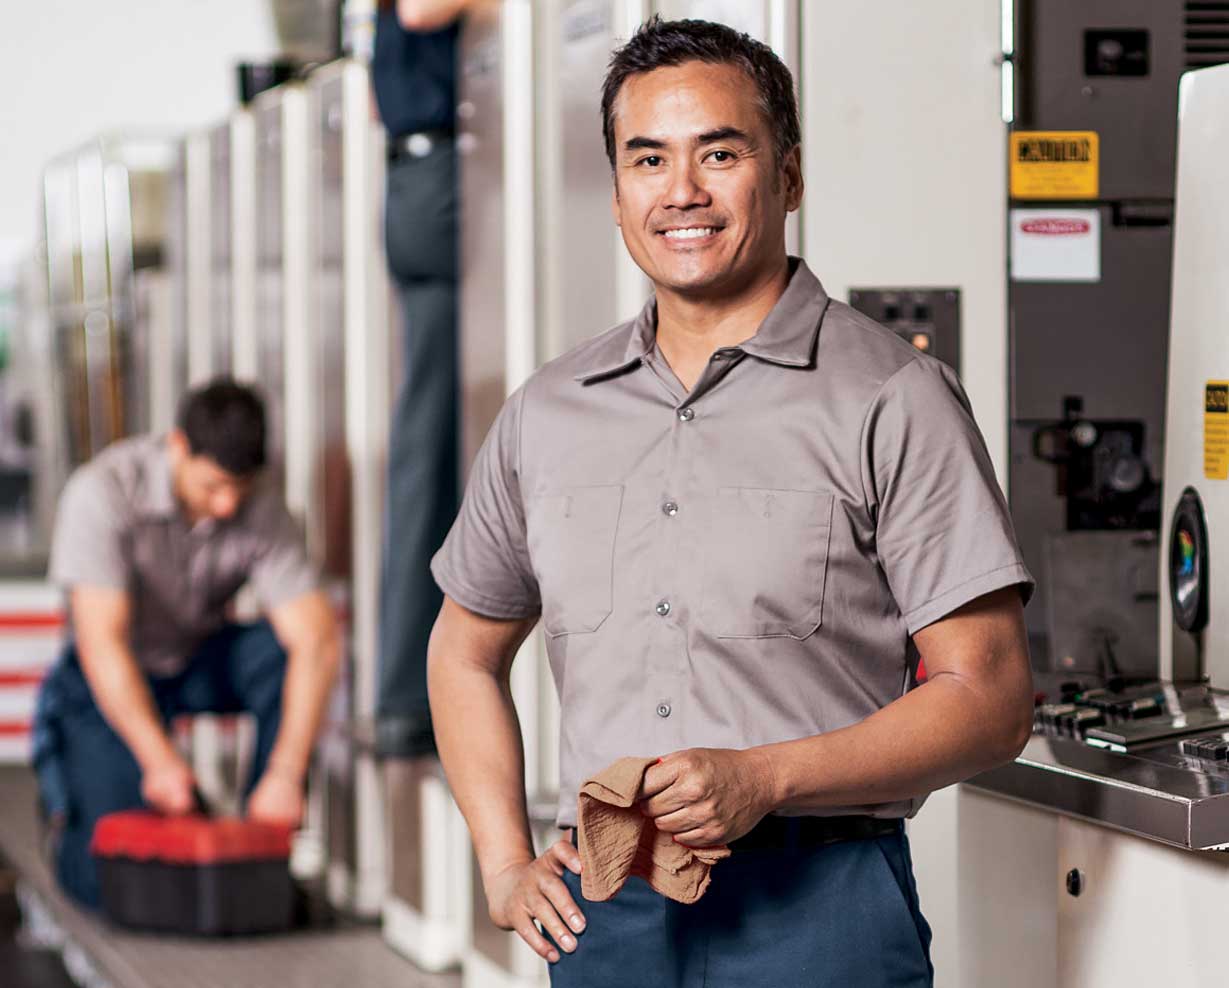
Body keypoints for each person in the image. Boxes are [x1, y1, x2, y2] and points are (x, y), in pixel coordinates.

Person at [427, 17, 1036, 987]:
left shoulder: (891, 397)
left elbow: (992, 696)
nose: (681, 192)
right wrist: (503, 860)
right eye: (646, 160)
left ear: (787, 177)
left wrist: (765, 776)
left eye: (719, 152)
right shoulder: (545, 414)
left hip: (823, 905)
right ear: (617, 193)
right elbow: (461, 650)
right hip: (607, 907)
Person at [31, 380, 341, 909]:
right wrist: (161, 762)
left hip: (195, 655)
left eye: (237, 492)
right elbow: (103, 644)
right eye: (212, 486)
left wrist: (285, 774)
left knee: (279, 652)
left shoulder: (258, 502)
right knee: (104, 879)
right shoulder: (102, 492)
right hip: (109, 672)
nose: (225, 506)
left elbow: (317, 639)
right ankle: (70, 816)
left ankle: (259, 846)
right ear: (178, 446)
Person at [371, 0, 481, 758]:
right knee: (437, 443)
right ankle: (413, 697)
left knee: (438, 439)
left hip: (430, 173)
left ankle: (412, 693)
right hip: (439, 176)